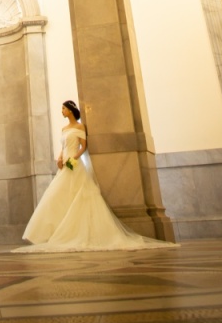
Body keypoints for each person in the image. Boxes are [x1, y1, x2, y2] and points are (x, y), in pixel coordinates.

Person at [16, 100, 174, 253]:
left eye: (63, 109)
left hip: (75, 164)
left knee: (79, 195)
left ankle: (75, 232)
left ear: (70, 110)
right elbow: (63, 146)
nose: (62, 111)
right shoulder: (64, 129)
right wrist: (60, 158)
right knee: (56, 197)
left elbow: (83, 146)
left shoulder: (80, 126)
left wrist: (74, 159)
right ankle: (50, 233)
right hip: (64, 164)